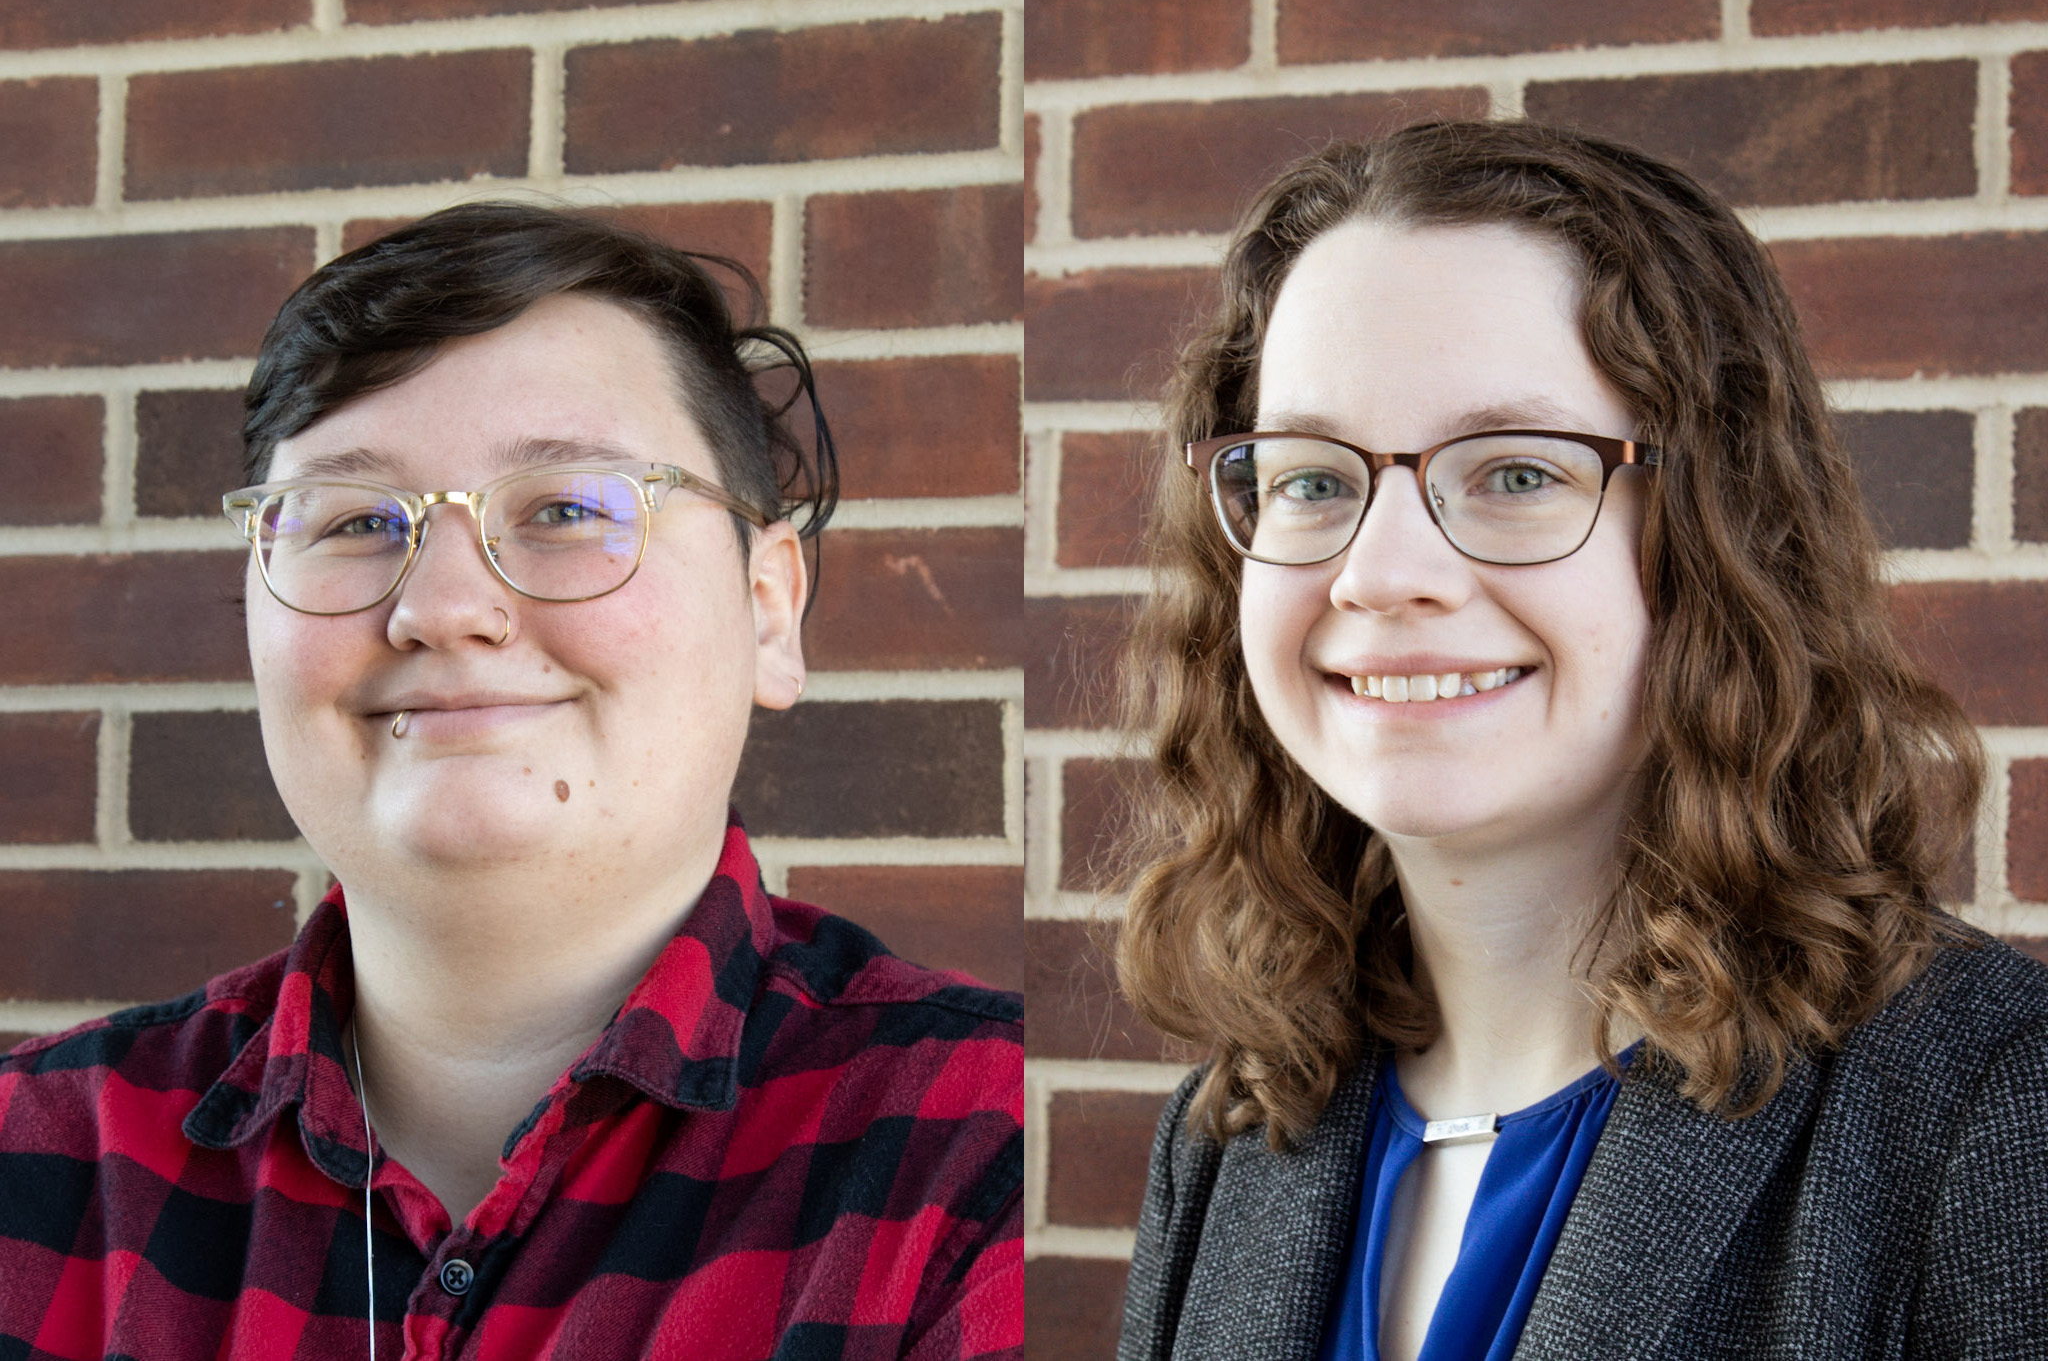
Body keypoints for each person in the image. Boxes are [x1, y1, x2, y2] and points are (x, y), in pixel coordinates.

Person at [0, 203, 1022, 1359]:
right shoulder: (36, 1157)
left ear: (768, 609)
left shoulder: (979, 1153)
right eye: (352, 521)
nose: (441, 606)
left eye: (567, 509)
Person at [1112, 120, 2048, 1360]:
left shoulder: (1987, 1108)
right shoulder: (1227, 1140)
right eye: (1310, 478)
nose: (1380, 573)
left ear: (1717, 535)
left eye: (1513, 473)